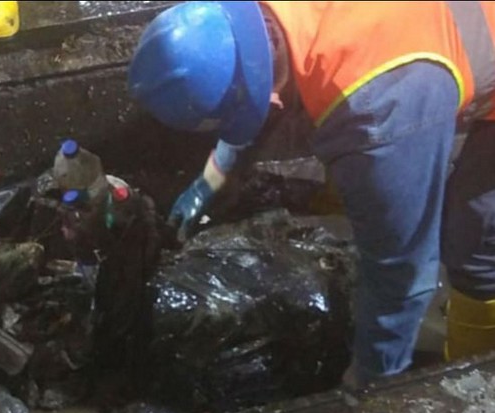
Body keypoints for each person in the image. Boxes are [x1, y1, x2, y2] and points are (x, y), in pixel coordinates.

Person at [127, 1, 495, 389]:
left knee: (475, 237)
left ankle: (474, 379)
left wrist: (372, 382)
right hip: (439, 33)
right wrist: (216, 173)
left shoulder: (379, 113)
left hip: (431, 60)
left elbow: (402, 271)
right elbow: (253, 74)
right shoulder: (262, 18)